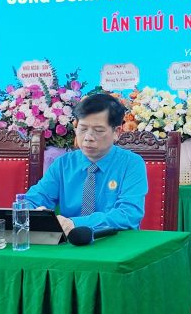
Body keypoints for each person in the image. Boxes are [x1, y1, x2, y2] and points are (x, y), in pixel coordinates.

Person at [25, 92, 147, 232]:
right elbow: (33, 200)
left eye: (98, 130)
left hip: (115, 241)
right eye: (82, 129)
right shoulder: (63, 164)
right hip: (70, 242)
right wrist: (32, 212)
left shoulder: (131, 164)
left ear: (116, 132)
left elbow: (128, 214)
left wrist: (75, 223)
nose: (88, 137)